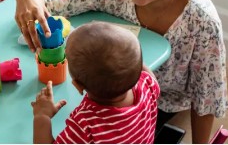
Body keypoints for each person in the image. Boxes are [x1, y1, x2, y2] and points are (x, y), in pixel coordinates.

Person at [15, 0, 228, 143]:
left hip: (162, 105)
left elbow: (206, 98)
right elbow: (54, 2)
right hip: (111, 93)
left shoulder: (203, 22)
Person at [32, 22, 160, 143]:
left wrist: (42, 116)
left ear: (78, 86)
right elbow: (141, 69)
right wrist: (127, 58)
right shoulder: (148, 85)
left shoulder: (86, 125)